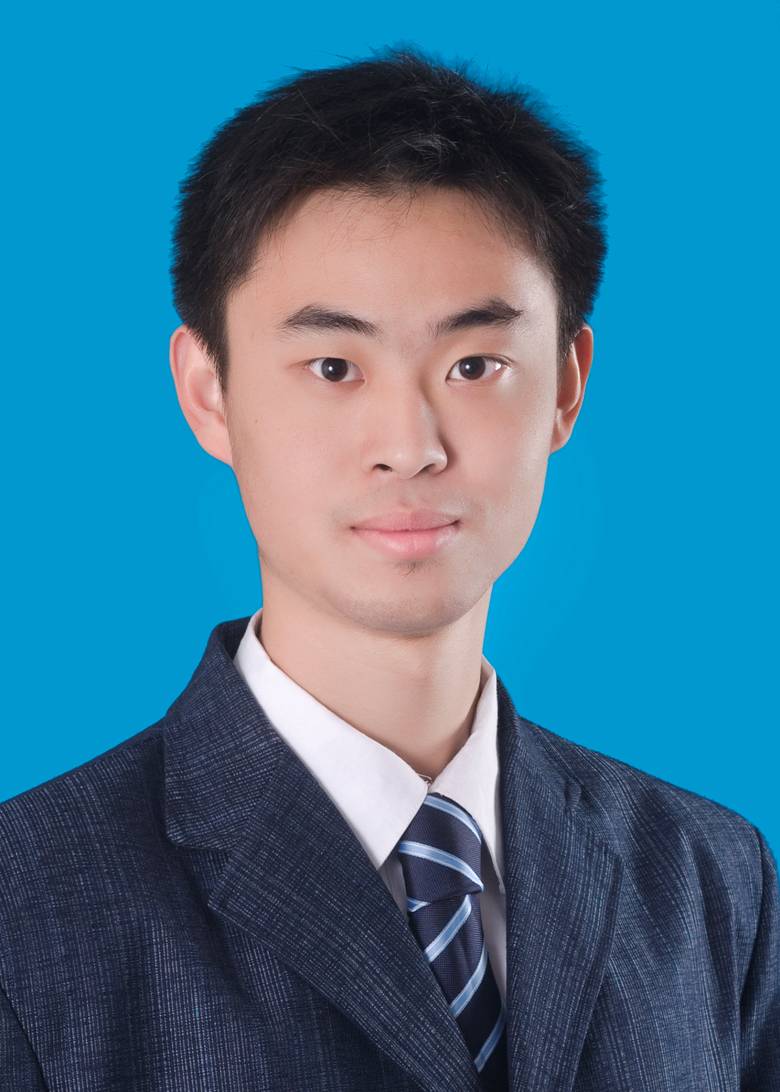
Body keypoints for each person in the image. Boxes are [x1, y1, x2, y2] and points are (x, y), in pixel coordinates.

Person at [0, 44, 777, 1092]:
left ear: (565, 386)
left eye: (474, 365)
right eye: (334, 367)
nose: (410, 445)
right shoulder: (27, 903)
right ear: (208, 391)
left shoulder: (709, 880)